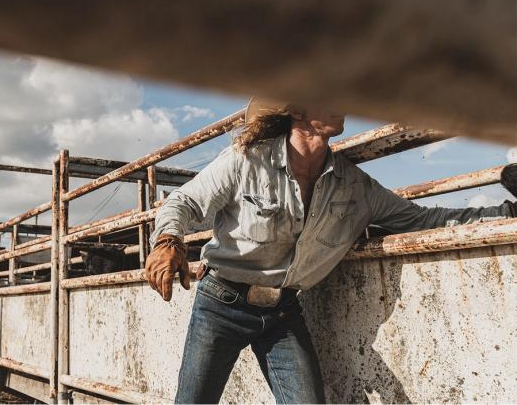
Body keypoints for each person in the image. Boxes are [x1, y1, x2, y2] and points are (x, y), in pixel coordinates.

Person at [145, 97, 516, 404]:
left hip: (282, 312)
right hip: (220, 305)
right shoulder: (246, 160)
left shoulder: (354, 186)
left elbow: (421, 219)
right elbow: (182, 202)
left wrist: (506, 213)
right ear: (297, 110)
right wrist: (167, 242)